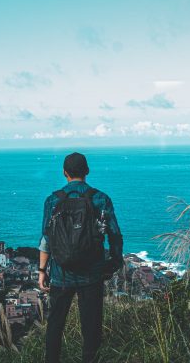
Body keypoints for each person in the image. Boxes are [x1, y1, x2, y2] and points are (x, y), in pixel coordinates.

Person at [38, 152, 123, 363]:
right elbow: (114, 234)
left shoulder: (53, 200)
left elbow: (46, 239)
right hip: (92, 272)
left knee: (55, 325)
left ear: (64, 173)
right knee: (91, 328)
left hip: (60, 273)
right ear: (87, 171)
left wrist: (41, 271)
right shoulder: (100, 198)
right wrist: (112, 263)